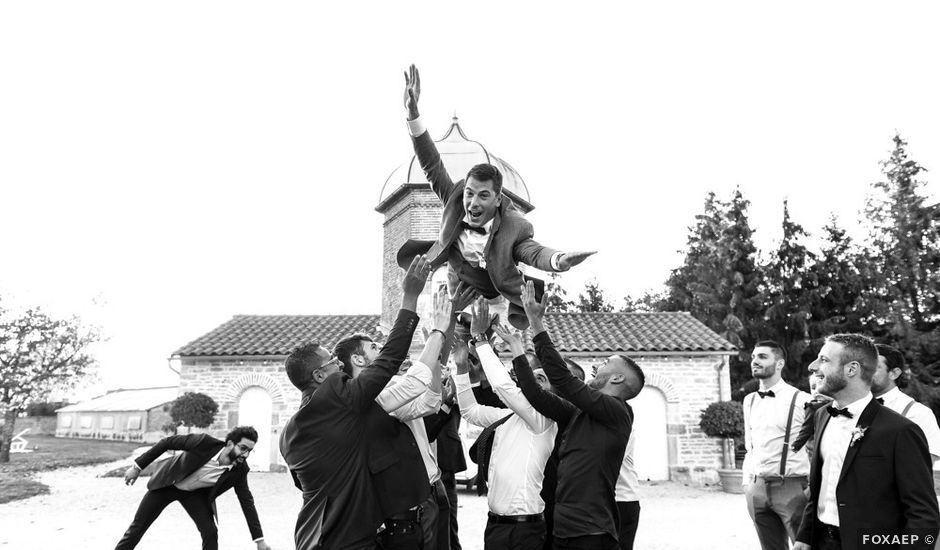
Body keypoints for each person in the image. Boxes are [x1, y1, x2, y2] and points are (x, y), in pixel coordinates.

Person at [397, 64, 595, 330]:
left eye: (483, 196)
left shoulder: (514, 225)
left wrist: (559, 260)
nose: (472, 203)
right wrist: (413, 115)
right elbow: (430, 163)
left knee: (495, 329)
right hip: (457, 277)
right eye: (469, 194)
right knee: (443, 284)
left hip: (495, 288)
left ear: (498, 199)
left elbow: (533, 252)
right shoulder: (455, 198)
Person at [279, 256, 430, 550]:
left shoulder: (288, 434)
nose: (341, 366)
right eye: (334, 362)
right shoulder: (336, 394)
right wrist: (410, 296)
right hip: (350, 539)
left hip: (310, 538)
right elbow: (388, 360)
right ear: (320, 375)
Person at [521, 281, 643, 550]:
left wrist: (536, 323)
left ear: (618, 377)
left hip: (593, 534)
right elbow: (538, 396)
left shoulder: (618, 412)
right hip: (563, 530)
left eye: (605, 363)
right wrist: (515, 352)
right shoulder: (578, 412)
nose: (596, 365)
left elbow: (563, 380)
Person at [794, 334, 940, 550]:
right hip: (822, 541)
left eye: (824, 360)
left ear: (851, 369)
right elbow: (820, 487)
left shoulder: (901, 430)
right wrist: (804, 536)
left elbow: (923, 514)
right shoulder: (822, 415)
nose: (812, 366)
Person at [453, 298, 558, 550]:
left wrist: (480, 340)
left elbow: (503, 387)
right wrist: (460, 369)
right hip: (496, 526)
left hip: (525, 530)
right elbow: (470, 410)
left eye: (541, 378)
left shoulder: (542, 419)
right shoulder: (509, 416)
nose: (532, 379)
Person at [115, 426, 269, 550]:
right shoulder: (203, 442)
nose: (246, 454)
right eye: (243, 448)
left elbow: (247, 502)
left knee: (210, 532)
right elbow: (167, 442)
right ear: (229, 444)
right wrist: (137, 467)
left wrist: (259, 539)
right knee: (137, 527)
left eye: (249, 450)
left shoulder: (240, 470)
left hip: (194, 494)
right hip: (168, 484)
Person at [741, 340, 810, 550]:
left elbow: (816, 448)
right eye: (753, 357)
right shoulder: (749, 400)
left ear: (779, 364)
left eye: (762, 357)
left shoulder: (802, 400)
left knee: (804, 546)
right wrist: (748, 485)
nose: (755, 361)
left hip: (792, 487)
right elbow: (749, 446)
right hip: (757, 488)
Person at [872, 343, 940, 464]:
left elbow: (929, 457)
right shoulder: (849, 406)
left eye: (874, 367)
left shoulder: (918, 413)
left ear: (894, 373)